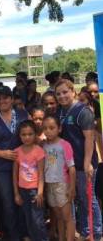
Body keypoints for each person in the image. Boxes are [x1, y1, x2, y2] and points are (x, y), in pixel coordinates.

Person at [55, 79, 102, 240]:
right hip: (69, 165)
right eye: (58, 94)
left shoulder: (83, 111)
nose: (62, 96)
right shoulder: (60, 112)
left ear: (73, 91)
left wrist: (88, 163)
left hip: (84, 163)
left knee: (88, 197)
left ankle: (96, 232)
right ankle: (84, 231)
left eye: (65, 92)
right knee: (78, 198)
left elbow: (89, 139)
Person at [0, 86, 28, 241]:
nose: (2, 101)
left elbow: (31, 136)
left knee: (24, 199)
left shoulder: (23, 114)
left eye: (5, 97)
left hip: (23, 166)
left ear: (12, 99)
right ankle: (14, 235)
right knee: (8, 202)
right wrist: (2, 154)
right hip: (1, 168)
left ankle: (25, 233)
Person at [42, 116, 76, 241]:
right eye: (45, 128)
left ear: (59, 129)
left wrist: (72, 188)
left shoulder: (64, 145)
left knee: (67, 218)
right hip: (49, 184)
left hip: (62, 184)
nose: (48, 131)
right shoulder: (44, 145)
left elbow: (71, 168)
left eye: (52, 128)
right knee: (58, 216)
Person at [13, 120, 48, 241]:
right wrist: (16, 193)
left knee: (37, 220)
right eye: (24, 134)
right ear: (19, 135)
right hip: (22, 191)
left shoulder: (39, 151)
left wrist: (40, 192)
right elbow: (15, 174)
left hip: (35, 191)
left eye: (30, 134)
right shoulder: (16, 151)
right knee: (28, 219)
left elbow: (41, 173)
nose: (27, 137)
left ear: (35, 134)